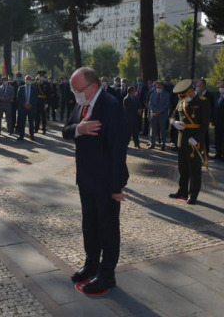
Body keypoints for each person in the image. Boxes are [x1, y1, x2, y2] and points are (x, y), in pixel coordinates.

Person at [63, 67, 129, 295]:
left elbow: (118, 148)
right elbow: (66, 131)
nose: (75, 94)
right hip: (85, 178)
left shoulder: (111, 106)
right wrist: (78, 129)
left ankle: (107, 275)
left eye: (78, 89)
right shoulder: (81, 104)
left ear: (92, 87)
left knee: (108, 229)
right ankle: (91, 265)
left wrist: (116, 186)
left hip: (105, 182)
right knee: (89, 226)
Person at [168, 80, 211, 204]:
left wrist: (197, 138)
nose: (184, 97)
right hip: (182, 139)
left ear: (191, 91)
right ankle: (182, 191)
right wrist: (174, 123)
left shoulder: (203, 102)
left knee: (194, 170)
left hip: (194, 141)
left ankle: (193, 194)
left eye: (186, 94)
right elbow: (172, 116)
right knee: (182, 168)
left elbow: (204, 124)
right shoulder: (181, 101)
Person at [148, 80, 170, 150]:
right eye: (157, 87)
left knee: (163, 130)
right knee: (153, 129)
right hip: (153, 114)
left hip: (163, 114)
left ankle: (163, 144)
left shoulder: (167, 94)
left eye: (159, 87)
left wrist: (160, 111)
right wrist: (154, 111)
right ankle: (152, 143)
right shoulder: (152, 94)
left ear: (162, 87)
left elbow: (167, 104)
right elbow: (150, 104)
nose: (158, 88)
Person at [17, 75, 38, 141]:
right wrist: (24, 105)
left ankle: (31, 135)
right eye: (27, 79)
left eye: (29, 79)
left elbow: (36, 98)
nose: (28, 81)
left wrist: (30, 105)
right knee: (22, 122)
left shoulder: (34, 88)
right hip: (23, 108)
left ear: (31, 81)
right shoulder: (21, 88)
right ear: (25, 80)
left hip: (31, 108)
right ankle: (21, 136)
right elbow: (18, 98)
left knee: (31, 122)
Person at [195, 79, 214, 152]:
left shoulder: (210, 95)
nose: (197, 87)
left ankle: (206, 151)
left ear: (203, 86)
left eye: (198, 86)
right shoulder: (197, 95)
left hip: (205, 118)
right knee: (198, 134)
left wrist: (211, 119)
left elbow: (212, 107)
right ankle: (199, 149)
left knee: (205, 135)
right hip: (197, 118)